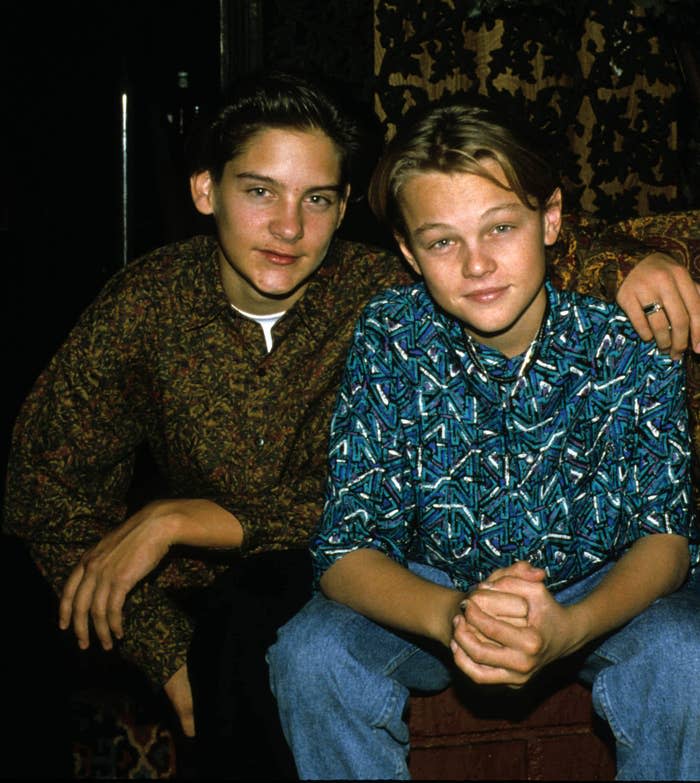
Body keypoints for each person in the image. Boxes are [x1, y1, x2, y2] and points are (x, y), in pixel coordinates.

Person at [1, 72, 697, 779]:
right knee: (291, 644)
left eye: (317, 198)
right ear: (206, 190)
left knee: (681, 648)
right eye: (259, 190)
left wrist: (635, 262)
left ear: (340, 212)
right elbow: (44, 489)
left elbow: (513, 241)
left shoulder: (390, 293)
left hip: (547, 581)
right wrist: (165, 642)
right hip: (355, 578)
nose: (287, 226)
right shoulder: (175, 308)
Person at [267, 98, 700, 781]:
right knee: (310, 652)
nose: (477, 264)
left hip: (601, 588)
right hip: (438, 584)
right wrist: (456, 615)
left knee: (687, 654)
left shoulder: (631, 333)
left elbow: (666, 540)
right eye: (443, 241)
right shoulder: (391, 335)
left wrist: (572, 626)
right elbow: (344, 549)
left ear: (550, 219)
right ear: (408, 253)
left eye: (500, 227)